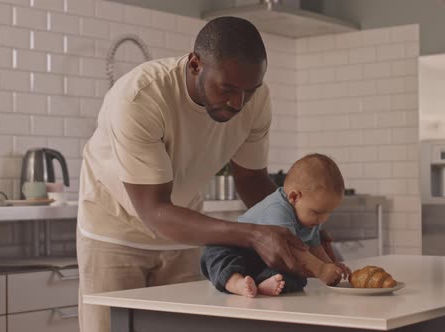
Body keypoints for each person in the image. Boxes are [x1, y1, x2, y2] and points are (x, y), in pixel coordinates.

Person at [77, 17, 332, 332]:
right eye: (227, 88)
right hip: (115, 233)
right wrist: (255, 234)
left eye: (248, 91)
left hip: (185, 231)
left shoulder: (256, 99)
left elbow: (251, 180)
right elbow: (154, 210)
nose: (238, 103)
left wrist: (299, 228)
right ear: (196, 64)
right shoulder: (140, 97)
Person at [201, 154, 352, 297]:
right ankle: (237, 283)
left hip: (265, 263)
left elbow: (315, 248)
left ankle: (261, 285)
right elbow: (289, 248)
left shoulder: (311, 220)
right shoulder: (277, 208)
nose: (323, 219)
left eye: (328, 213)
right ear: (294, 197)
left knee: (296, 275)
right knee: (215, 251)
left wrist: (331, 266)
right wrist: (320, 270)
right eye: (318, 212)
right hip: (240, 251)